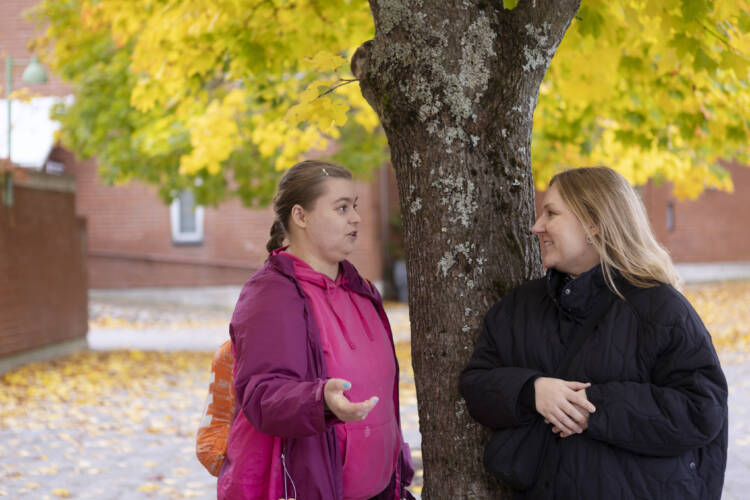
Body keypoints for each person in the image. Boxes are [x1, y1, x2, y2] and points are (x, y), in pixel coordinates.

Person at [459, 167, 728, 499]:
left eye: (552, 213)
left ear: (593, 224)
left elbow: (702, 410)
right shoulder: (519, 307)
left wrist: (591, 408)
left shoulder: (662, 309)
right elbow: (476, 385)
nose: (535, 227)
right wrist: (532, 391)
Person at [218, 160, 414, 500]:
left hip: (382, 491)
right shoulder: (272, 294)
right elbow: (261, 395)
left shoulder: (362, 289)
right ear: (300, 216)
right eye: (341, 208)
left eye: (354, 206)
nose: (356, 217)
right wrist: (319, 399)